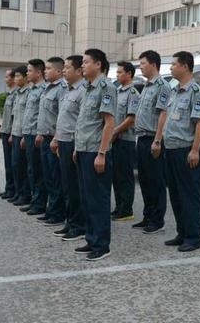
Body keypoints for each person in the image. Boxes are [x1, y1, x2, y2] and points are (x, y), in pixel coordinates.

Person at [73, 49, 116, 261]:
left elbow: (108, 122)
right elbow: (84, 122)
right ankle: (91, 239)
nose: (82, 66)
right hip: (83, 149)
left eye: (86, 62)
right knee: (87, 198)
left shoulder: (106, 87)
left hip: (95, 152)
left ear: (98, 64)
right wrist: (76, 147)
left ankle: (102, 244)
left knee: (98, 199)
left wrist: (102, 153)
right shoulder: (87, 88)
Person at [163, 51, 200, 252]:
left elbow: (199, 124)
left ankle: (193, 237)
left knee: (190, 195)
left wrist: (195, 150)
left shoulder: (195, 91)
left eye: (174, 64)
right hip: (171, 149)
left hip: (187, 149)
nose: (171, 67)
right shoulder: (174, 90)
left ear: (185, 67)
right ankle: (182, 233)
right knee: (176, 194)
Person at [134, 50, 170, 234]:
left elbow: (163, 113)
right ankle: (147, 215)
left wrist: (157, 140)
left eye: (143, 64)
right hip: (141, 138)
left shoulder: (162, 86)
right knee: (145, 180)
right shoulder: (147, 86)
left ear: (153, 64)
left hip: (152, 139)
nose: (140, 67)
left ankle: (157, 220)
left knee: (156, 180)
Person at [50, 55, 86, 241]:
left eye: (67, 68)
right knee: (66, 186)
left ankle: (79, 225)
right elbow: (62, 118)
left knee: (75, 187)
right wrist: (56, 138)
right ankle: (70, 221)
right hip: (62, 141)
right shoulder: (67, 91)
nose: (64, 71)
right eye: (63, 68)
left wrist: (76, 145)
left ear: (79, 70)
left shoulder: (83, 91)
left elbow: (81, 122)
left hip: (74, 142)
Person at [36, 57, 67, 226]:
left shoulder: (61, 89)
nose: (45, 71)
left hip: (55, 138)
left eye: (48, 68)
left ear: (58, 71)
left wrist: (55, 138)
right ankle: (51, 210)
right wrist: (40, 133)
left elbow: (62, 115)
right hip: (46, 137)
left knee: (56, 177)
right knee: (48, 176)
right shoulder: (48, 88)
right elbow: (44, 115)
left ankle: (57, 213)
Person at [111, 61, 140, 221]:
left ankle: (126, 209)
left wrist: (115, 131)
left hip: (125, 140)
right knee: (115, 175)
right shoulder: (117, 92)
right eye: (117, 72)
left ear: (129, 74)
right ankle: (119, 207)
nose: (118, 75)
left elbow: (131, 118)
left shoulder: (133, 93)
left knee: (125, 176)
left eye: (120, 72)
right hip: (114, 139)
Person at [20, 59, 47, 216]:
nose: (27, 73)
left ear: (38, 72)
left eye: (30, 71)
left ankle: (40, 203)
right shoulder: (32, 89)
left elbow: (42, 115)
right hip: (28, 133)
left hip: (37, 135)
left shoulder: (43, 89)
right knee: (31, 169)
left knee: (38, 171)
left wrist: (39, 133)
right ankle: (35, 200)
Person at [9, 66, 31, 206]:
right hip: (16, 133)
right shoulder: (17, 93)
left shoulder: (29, 92)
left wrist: (24, 135)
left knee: (23, 166)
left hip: (23, 134)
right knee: (15, 165)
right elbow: (15, 116)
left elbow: (28, 116)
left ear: (24, 77)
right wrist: (12, 133)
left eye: (17, 76)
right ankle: (18, 192)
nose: (15, 79)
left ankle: (25, 194)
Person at [0, 69, 17, 199]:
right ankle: (9, 187)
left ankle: (14, 189)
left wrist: (11, 133)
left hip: (11, 132)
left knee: (13, 163)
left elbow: (14, 116)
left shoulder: (16, 94)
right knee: (8, 162)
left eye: (7, 77)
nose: (5, 79)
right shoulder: (10, 94)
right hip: (5, 131)